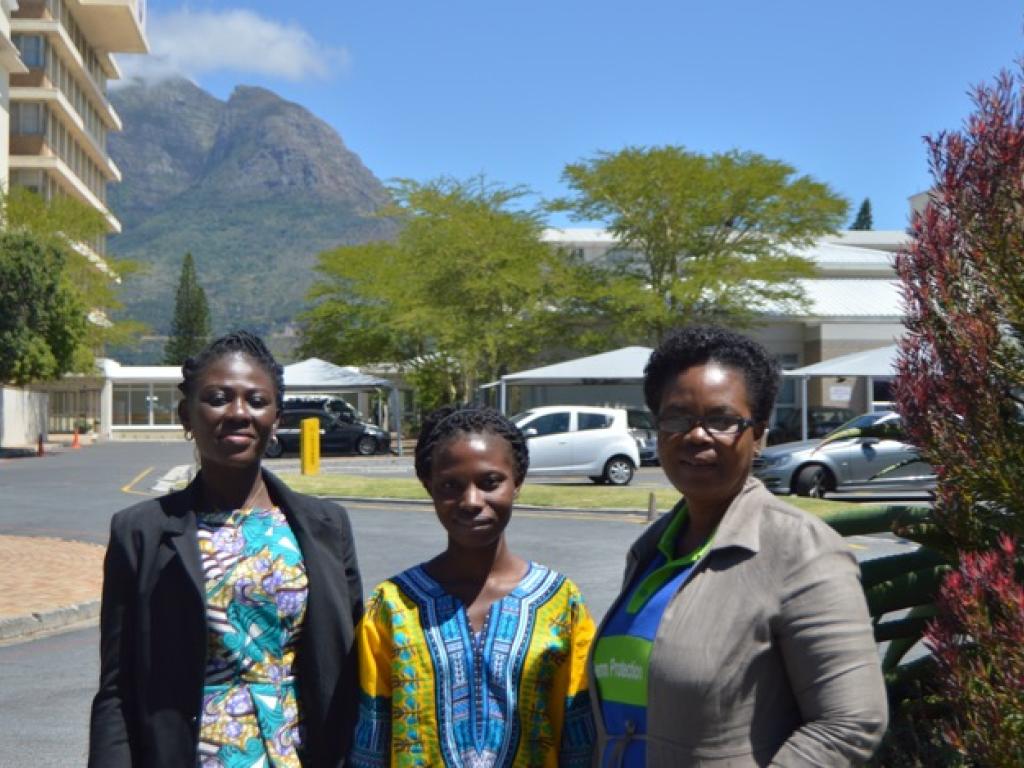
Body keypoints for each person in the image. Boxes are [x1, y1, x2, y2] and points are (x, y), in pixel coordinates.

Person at [590, 326, 888, 766]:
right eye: (677, 417)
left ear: (759, 434)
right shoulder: (651, 551)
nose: (696, 435)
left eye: (722, 420)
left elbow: (851, 721)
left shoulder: (800, 549)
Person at [88, 331, 364, 768]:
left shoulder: (326, 527)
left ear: (276, 418)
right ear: (186, 415)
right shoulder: (140, 533)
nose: (238, 413)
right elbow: (117, 687)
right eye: (218, 399)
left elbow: (351, 668)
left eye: (256, 401)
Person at [350, 405, 595, 767]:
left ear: (517, 482)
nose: (471, 501)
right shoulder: (393, 606)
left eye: (490, 482)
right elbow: (370, 738)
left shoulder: (560, 603)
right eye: (451, 486)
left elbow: (579, 738)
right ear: (429, 487)